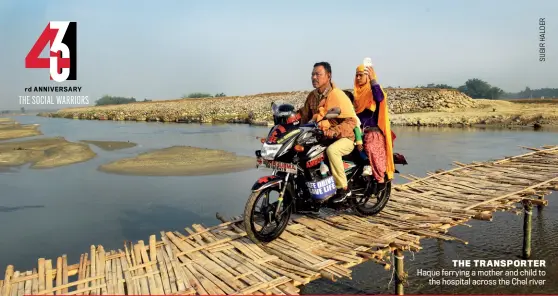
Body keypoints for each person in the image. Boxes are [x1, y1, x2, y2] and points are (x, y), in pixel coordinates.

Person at [298, 62, 359, 203]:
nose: (314, 77)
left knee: (333, 151)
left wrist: (333, 131)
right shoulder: (312, 97)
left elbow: (351, 121)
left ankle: (343, 189)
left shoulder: (338, 95)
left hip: (344, 137)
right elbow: (305, 117)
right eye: (312, 74)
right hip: (321, 136)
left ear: (328, 76)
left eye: (318, 74)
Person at [352, 64, 395, 185]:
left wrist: (373, 80)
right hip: (358, 130)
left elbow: (380, 97)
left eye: (361, 75)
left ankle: (380, 178)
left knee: (370, 147)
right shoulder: (356, 94)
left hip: (372, 131)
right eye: (357, 75)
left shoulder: (373, 90)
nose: (358, 78)